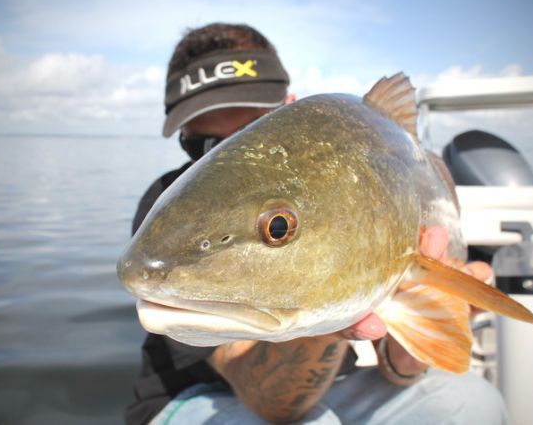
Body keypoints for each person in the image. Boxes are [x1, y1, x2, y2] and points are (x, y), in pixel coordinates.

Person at [125, 23, 507, 424]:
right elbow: (274, 404)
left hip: (337, 381)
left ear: (291, 109)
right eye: (202, 145)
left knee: (470, 403)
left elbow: (402, 367)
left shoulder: (362, 187)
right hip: (204, 395)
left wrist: (415, 340)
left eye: (251, 135)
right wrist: (329, 308)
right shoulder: (167, 212)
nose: (229, 160)